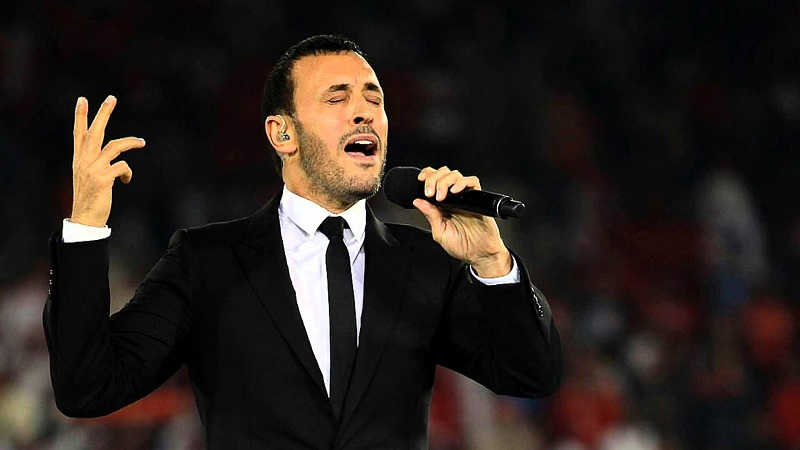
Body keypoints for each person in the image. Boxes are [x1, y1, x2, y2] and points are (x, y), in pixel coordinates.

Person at [44, 35, 562, 449]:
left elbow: (531, 376)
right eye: (337, 98)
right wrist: (85, 224)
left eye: (374, 98)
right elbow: (87, 387)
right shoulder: (206, 263)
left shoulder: (427, 262)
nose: (364, 112)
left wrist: (493, 262)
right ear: (283, 134)